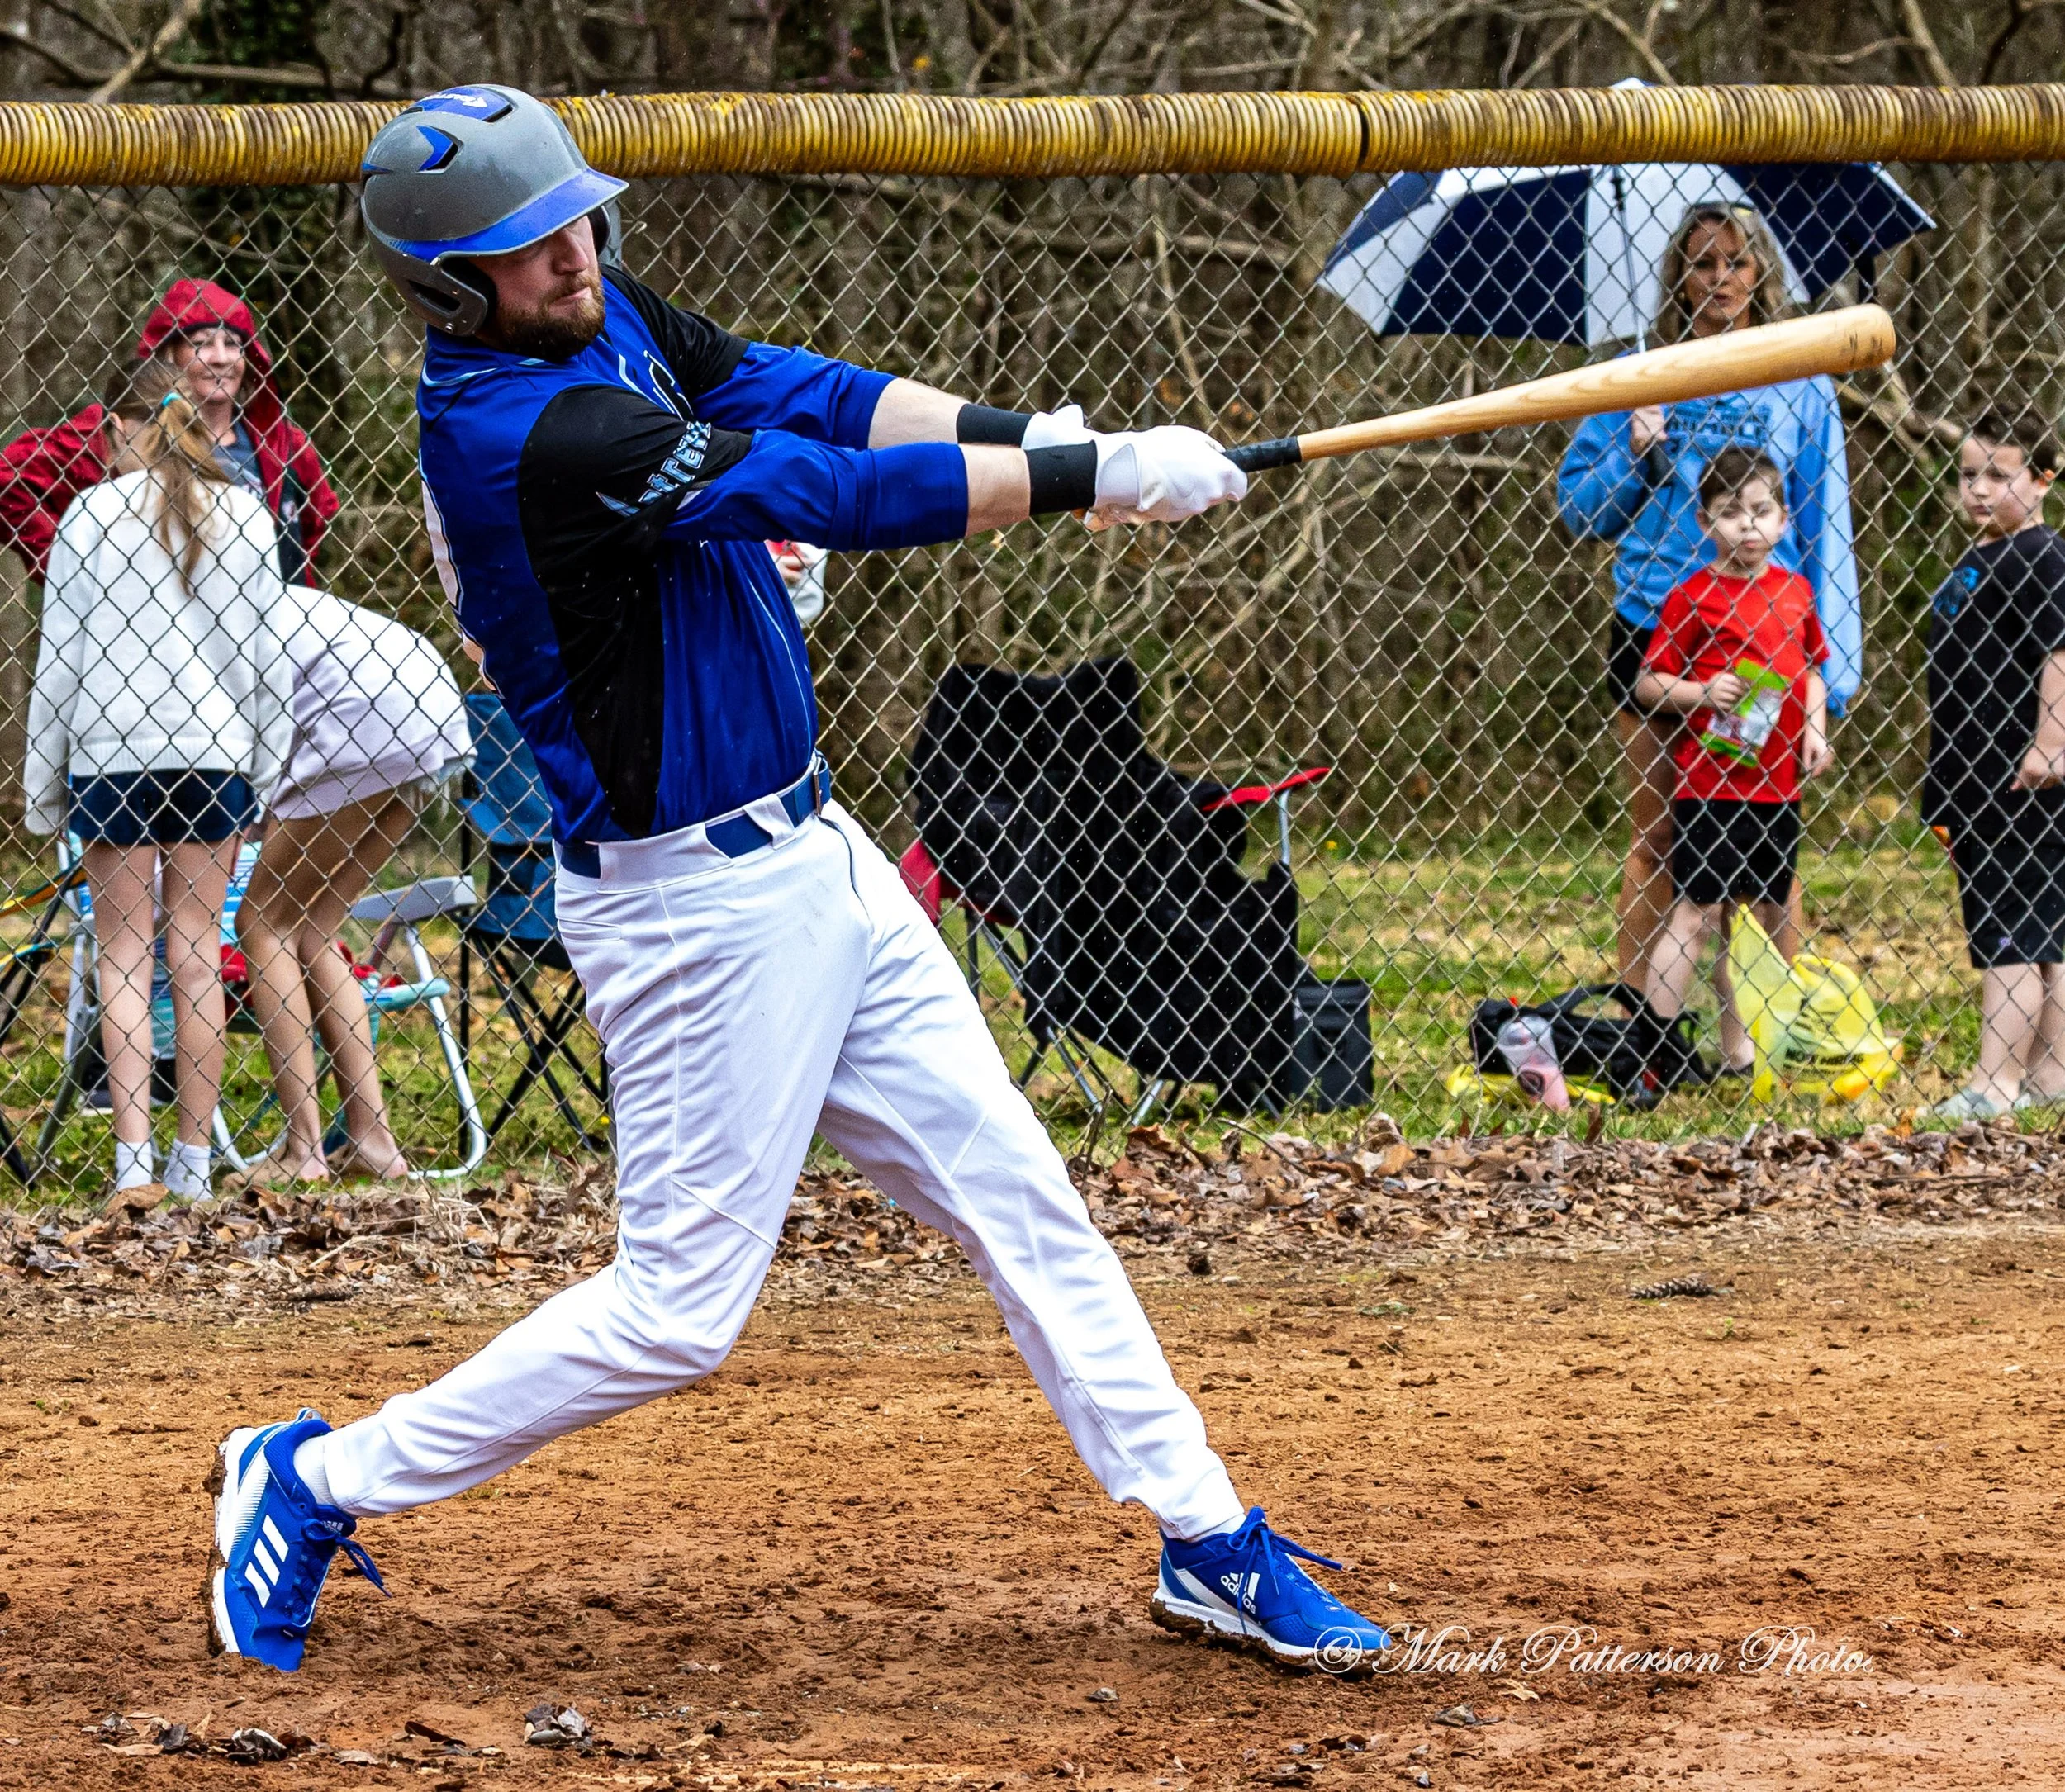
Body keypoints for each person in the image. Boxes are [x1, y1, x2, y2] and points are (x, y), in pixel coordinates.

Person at [205, 83, 1390, 1681]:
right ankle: (315, 1477)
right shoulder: (519, 432)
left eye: (571, 216)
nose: (573, 250)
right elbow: (815, 488)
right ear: (444, 284)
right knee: (680, 1312)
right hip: (690, 913)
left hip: (822, 861)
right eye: (525, 243)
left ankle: (1210, 1540)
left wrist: (1036, 440)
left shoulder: (602, 319)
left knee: (1022, 1199)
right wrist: (1082, 477)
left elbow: (810, 392)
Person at [1558, 204, 1858, 989]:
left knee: (1764, 845)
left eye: (1736, 261)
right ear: (1678, 277)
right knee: (1661, 837)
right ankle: (1639, 1024)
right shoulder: (1637, 375)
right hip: (1660, 634)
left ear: (1762, 271)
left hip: (1764, 643)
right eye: (1702, 263)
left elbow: (1826, 518)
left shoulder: (1800, 374)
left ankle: (1769, 1026)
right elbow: (1581, 512)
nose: (1720, 278)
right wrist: (1636, 452)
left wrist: (1836, 660)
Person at [22, 358, 293, 1204]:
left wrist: (42, 784)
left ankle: (131, 1165)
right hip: (214, 756)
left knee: (124, 957)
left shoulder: (89, 516)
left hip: (111, 754)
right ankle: (193, 1169)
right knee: (196, 956)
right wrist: (266, 765)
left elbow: (58, 662)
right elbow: (266, 664)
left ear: (114, 432)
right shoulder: (247, 518)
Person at [235, 586, 472, 1185]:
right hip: (424, 699)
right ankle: (372, 1140)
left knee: (262, 924)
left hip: (359, 711)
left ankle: (304, 1152)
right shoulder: (255, 581)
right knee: (312, 929)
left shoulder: (191, 612)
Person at [1634, 447, 1831, 1073]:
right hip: (1711, 784)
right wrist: (1699, 691)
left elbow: (1813, 671)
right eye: (1729, 513)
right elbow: (1648, 683)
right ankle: (1655, 1051)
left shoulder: (1796, 592)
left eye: (1761, 511)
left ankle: (1742, 1048)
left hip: (1778, 788)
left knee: (1756, 920)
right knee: (1697, 912)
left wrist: (1816, 732)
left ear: (1782, 518)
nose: (1747, 526)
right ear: (1703, 523)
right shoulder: (1693, 597)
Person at [0, 277, 338, 587]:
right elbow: (8, 478)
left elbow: (316, 518)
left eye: (233, 344)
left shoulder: (280, 441)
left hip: (267, 629)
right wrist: (72, 571)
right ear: (169, 354)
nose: (221, 358)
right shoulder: (121, 427)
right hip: (158, 627)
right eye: (202, 343)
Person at [1920, 405, 2065, 1121]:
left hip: (2015, 782)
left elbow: (2062, 649)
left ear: (2043, 478)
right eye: (1967, 474)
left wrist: (2051, 741)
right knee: (2044, 933)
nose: (1978, 489)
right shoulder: (1985, 557)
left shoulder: (2041, 558)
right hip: (1978, 783)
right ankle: (2048, 1078)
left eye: (1998, 475)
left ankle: (1996, 1083)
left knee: (2012, 935)